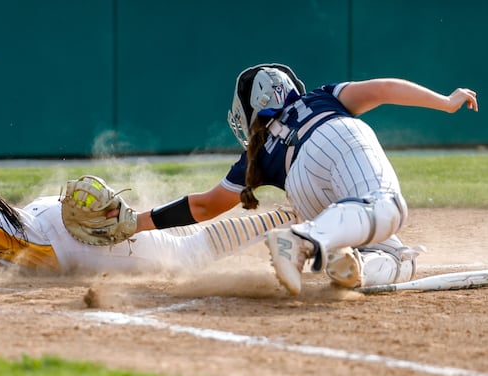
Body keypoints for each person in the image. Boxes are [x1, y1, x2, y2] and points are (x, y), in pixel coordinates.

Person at [132, 63, 478, 295]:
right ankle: (304, 240)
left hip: (301, 189)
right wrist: (446, 102)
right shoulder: (321, 97)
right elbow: (384, 89)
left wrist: (134, 223)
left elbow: (204, 206)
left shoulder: (258, 152)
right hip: (336, 135)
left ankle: (351, 266)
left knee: (398, 256)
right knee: (388, 207)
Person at [0, 113, 296, 276]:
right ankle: (288, 218)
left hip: (68, 238)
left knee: (190, 252)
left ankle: (291, 219)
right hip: (49, 226)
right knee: (186, 249)